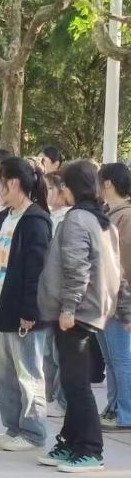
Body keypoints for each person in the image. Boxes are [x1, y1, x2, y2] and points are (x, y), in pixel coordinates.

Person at [37, 159, 131, 471]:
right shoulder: (100, 219)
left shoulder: (78, 219)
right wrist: (124, 311)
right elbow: (118, 273)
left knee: (76, 385)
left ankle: (90, 449)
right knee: (72, 382)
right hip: (87, 311)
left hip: (76, 314)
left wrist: (68, 308)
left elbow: (77, 268)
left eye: (61, 185)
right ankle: (70, 441)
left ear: (72, 187)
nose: (58, 190)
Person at [0, 156, 52, 452]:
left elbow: (37, 271)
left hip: (24, 312)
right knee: (5, 374)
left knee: (28, 374)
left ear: (13, 183)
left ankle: (33, 432)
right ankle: (13, 427)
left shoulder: (36, 221)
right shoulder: (4, 217)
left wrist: (29, 310)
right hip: (1, 306)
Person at [98, 162, 131, 431]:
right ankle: (115, 407)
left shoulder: (125, 216)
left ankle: (126, 413)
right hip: (104, 299)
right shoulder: (110, 214)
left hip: (119, 300)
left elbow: (124, 264)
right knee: (111, 359)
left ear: (108, 183)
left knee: (121, 358)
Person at [44, 171, 72, 418]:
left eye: (50, 188)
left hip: (62, 295)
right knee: (48, 352)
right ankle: (49, 396)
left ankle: (61, 400)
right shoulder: (50, 217)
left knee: (59, 352)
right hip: (48, 294)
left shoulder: (68, 219)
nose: (47, 193)